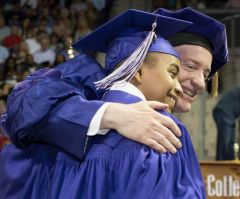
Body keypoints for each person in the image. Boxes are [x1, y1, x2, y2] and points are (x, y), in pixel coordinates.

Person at [0, 9, 193, 199]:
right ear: (138, 71)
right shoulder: (160, 131)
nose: (179, 87)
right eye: (173, 74)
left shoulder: (49, 140)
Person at [213, 87, 240, 160]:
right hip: (223, 111)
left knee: (229, 140)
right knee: (226, 140)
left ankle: (227, 163)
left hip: (227, 114)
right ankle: (223, 165)